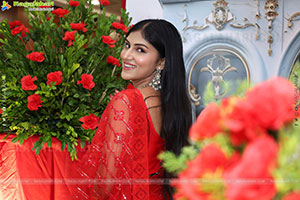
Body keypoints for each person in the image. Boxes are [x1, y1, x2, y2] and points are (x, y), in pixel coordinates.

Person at [72, 19, 192, 200]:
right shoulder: (171, 103)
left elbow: (107, 182)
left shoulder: (127, 101)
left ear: (161, 62)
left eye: (140, 50)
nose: (126, 55)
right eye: (127, 45)